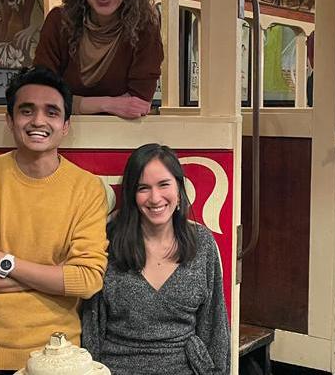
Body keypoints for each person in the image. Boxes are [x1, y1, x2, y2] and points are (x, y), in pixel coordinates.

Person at [0, 66, 108, 375]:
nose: (38, 121)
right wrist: (49, 280)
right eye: (27, 110)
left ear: (65, 126)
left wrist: (1, 261)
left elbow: (86, 280)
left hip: (58, 356)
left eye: (51, 112)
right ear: (10, 120)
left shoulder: (87, 188)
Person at [82, 143, 230, 375]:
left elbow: (215, 325)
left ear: (179, 189)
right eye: (143, 188)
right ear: (132, 195)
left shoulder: (202, 242)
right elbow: (92, 326)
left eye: (164, 184)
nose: (155, 197)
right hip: (117, 368)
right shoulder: (108, 241)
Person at [34, 0, 163, 119]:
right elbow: (40, 93)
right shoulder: (58, 21)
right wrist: (108, 104)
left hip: (123, 133)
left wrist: (69, 102)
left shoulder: (144, 27)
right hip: (60, 131)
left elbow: (139, 103)